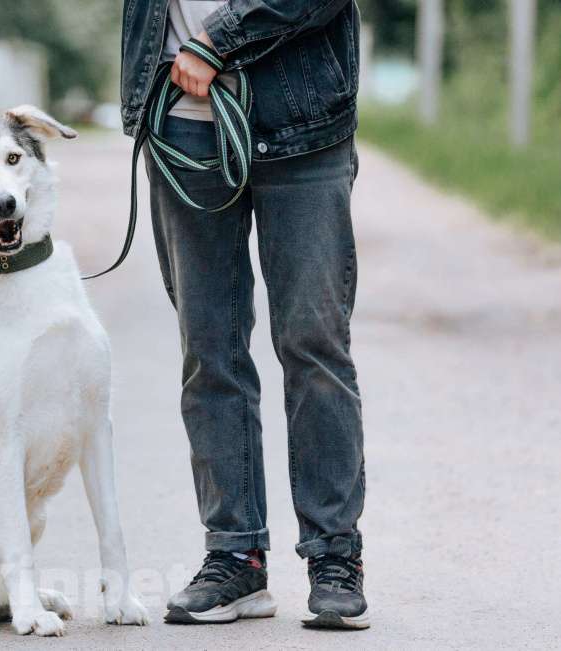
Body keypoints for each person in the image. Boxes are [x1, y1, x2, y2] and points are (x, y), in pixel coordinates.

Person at [120, 0, 369, 629]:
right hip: (182, 127)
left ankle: (334, 556)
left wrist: (216, 40)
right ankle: (235, 557)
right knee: (210, 352)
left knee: (313, 344)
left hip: (302, 123)